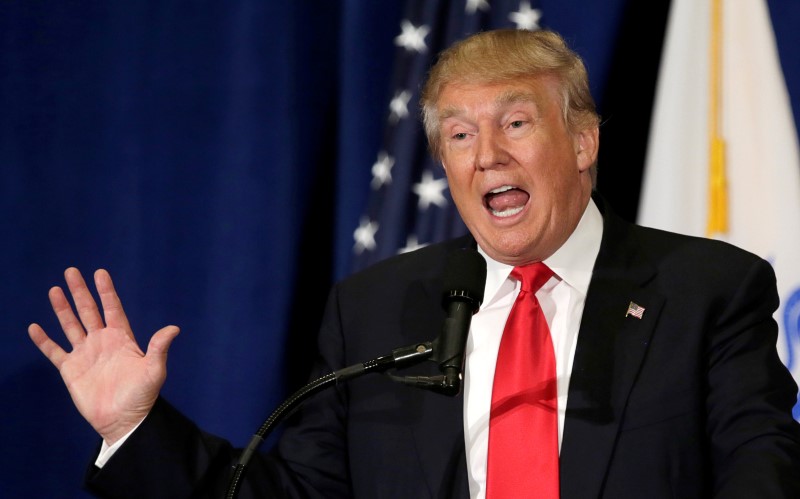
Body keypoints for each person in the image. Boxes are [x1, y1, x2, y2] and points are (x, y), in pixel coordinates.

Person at [29, 28, 800, 498]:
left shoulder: (707, 291)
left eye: (517, 123)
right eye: (460, 135)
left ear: (584, 142)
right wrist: (138, 427)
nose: (487, 154)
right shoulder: (378, 308)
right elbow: (295, 495)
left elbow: (761, 473)